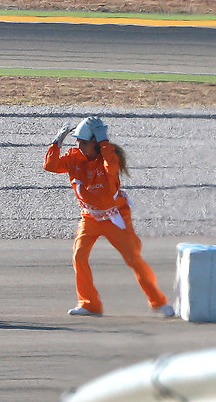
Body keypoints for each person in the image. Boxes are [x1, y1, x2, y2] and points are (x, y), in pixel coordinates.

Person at [43, 116, 174, 318]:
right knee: (79, 256)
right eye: (78, 141)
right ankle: (89, 304)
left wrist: (105, 143)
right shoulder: (73, 157)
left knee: (133, 259)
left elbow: (111, 168)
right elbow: (51, 166)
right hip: (90, 218)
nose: (79, 145)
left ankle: (158, 301)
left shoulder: (108, 159)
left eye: (84, 142)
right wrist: (56, 143)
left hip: (115, 217)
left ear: (97, 144)